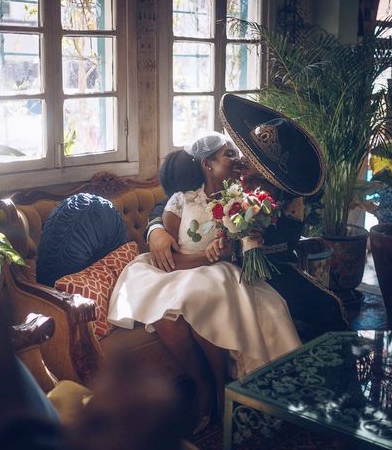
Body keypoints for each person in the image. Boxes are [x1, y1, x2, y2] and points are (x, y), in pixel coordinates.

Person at [107, 132, 302, 433]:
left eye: (239, 155)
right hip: (181, 270)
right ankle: (205, 387)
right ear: (207, 164)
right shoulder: (182, 200)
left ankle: (223, 387)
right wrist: (162, 234)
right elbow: (168, 256)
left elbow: (278, 234)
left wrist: (239, 245)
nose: (239, 160)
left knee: (208, 297)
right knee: (167, 314)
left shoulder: (244, 198)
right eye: (230, 155)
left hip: (225, 271)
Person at [147, 94, 348, 341]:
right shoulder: (229, 178)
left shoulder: (290, 198)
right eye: (246, 151)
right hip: (223, 272)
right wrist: (156, 230)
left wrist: (241, 243)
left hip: (273, 270)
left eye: (251, 157)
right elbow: (171, 202)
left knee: (328, 310)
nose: (242, 159)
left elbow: (285, 244)